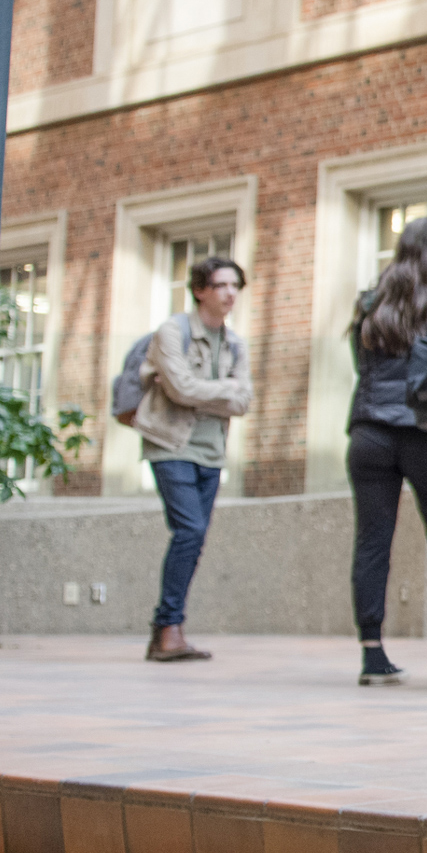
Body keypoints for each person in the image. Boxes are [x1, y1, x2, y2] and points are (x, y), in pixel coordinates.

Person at [344, 216, 427, 685]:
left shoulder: (371, 300)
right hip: (426, 433)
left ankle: (372, 652)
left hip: (368, 433)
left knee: (372, 543)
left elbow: (362, 366)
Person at [136, 255, 253, 663]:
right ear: (200, 289)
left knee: (195, 537)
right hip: (171, 444)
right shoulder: (173, 331)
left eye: (236, 285)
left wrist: (215, 392)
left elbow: (245, 401)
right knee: (189, 530)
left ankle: (167, 631)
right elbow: (180, 389)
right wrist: (224, 390)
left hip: (212, 452)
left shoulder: (236, 343)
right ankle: (168, 627)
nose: (230, 293)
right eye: (222, 285)